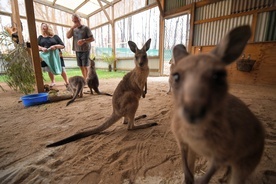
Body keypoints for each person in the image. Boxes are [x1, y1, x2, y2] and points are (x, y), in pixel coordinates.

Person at [38, 23, 69, 87]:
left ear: (48, 27)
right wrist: (42, 48)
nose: (43, 28)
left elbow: (62, 46)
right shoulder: (40, 37)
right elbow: (36, 46)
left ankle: (67, 82)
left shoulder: (55, 37)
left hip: (56, 56)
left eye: (44, 26)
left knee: (61, 68)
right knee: (49, 68)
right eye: (42, 27)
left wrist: (55, 46)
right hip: (47, 56)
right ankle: (53, 81)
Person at [66, 13, 94, 80]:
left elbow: (92, 39)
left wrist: (84, 40)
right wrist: (72, 28)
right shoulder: (74, 29)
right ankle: (85, 79)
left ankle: (87, 80)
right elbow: (68, 36)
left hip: (85, 50)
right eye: (75, 21)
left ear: (80, 19)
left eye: (77, 20)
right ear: (73, 21)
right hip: (77, 50)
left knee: (85, 66)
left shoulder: (86, 28)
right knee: (81, 66)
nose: (76, 22)